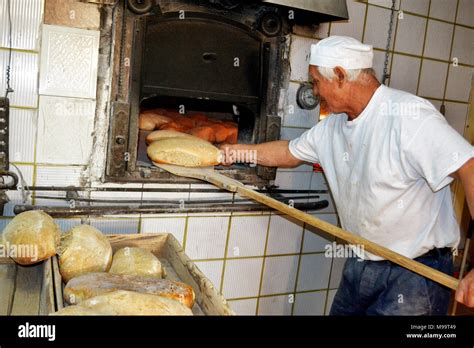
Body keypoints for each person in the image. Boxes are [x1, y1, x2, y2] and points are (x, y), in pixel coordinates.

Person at [220, 36, 474, 315]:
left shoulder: (408, 116)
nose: (314, 91)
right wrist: (233, 153)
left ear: (340, 75)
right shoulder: (333, 127)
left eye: (316, 81)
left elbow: (469, 166)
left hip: (414, 274)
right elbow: (289, 153)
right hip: (361, 262)